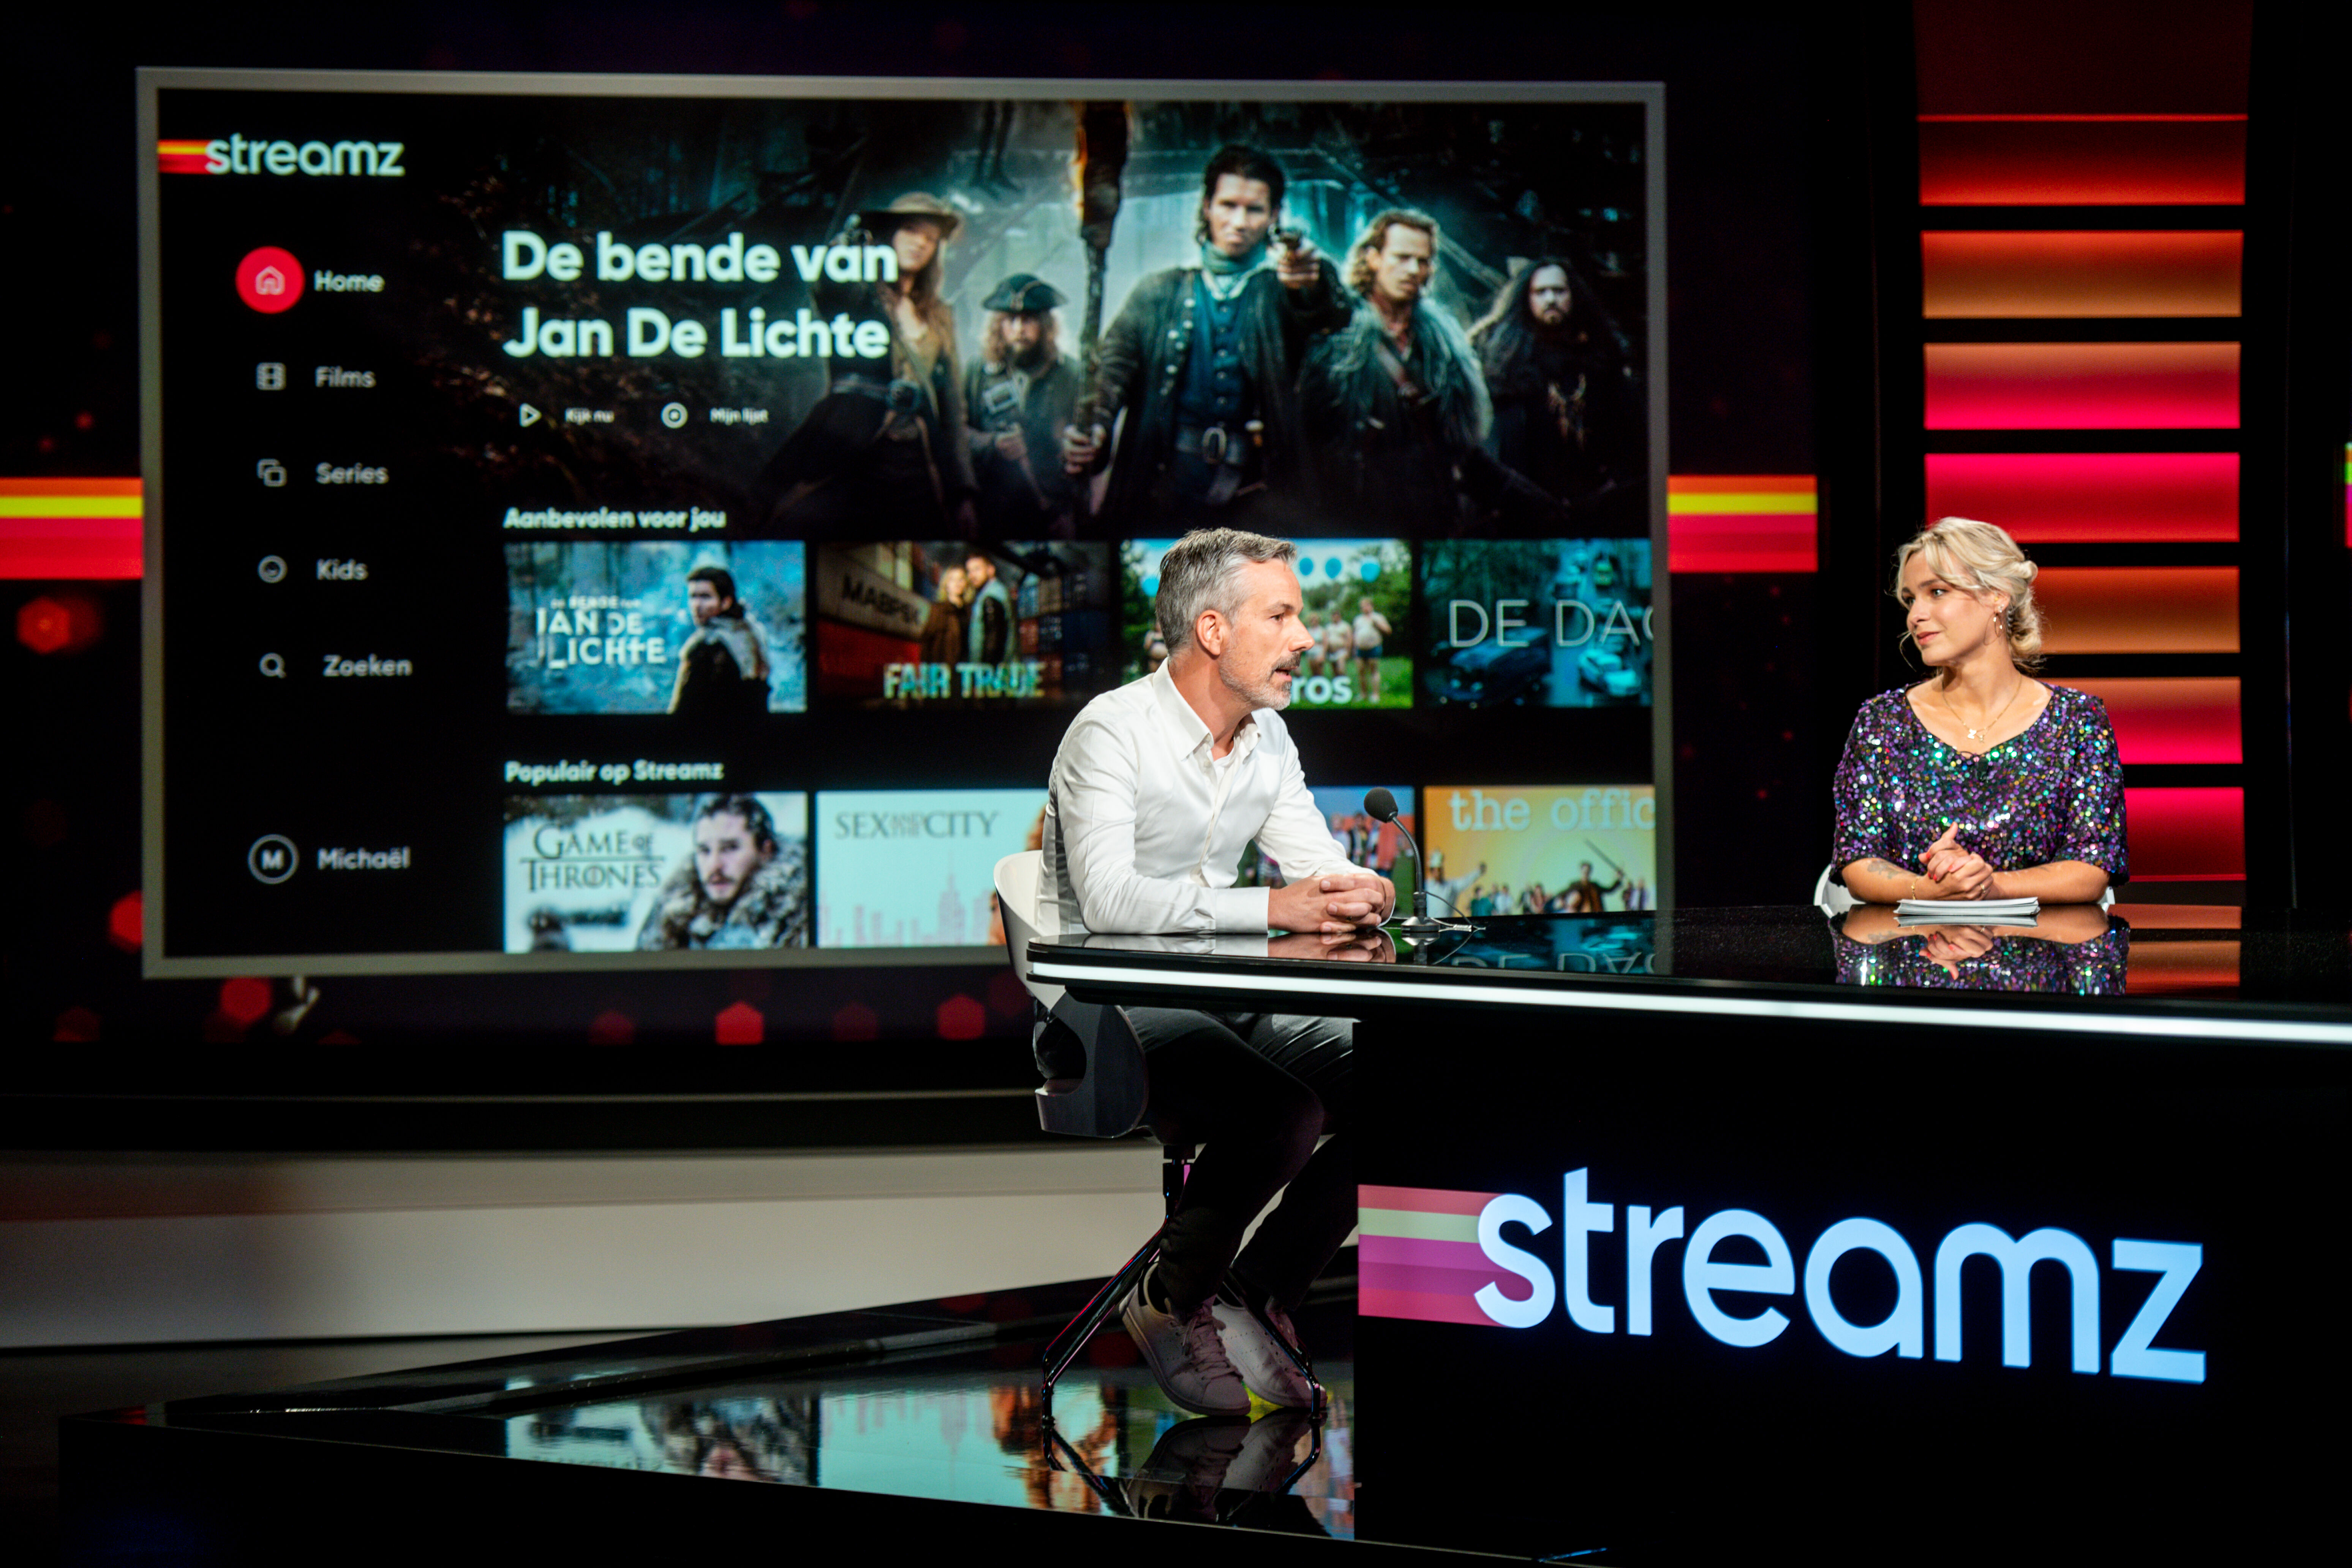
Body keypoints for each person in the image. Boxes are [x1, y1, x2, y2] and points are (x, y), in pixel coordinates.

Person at [1039, 527, 1395, 1416]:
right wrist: (1277, 907)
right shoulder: (1110, 731)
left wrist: (1360, 888)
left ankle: (1254, 1290)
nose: (1304, 637)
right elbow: (1111, 900)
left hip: (1222, 998)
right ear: (1212, 630)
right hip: (1103, 1009)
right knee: (1282, 1110)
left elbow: (1315, 867)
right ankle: (1170, 1295)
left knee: (1399, 1086)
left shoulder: (1268, 739)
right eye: (1281, 616)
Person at [1833, 518, 2125, 905]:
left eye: (1937, 592)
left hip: (2042, 942)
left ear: (1997, 595)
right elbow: (1858, 861)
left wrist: (1989, 885)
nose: (1915, 616)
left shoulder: (2077, 721)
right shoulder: (1882, 722)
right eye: (1910, 599)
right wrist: (1928, 890)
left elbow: (2091, 868)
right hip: (1912, 942)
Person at [1062, 145, 1351, 530]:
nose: (1239, 222)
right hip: (1163, 492)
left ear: (1274, 216)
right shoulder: (1158, 292)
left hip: (1258, 496)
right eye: (1228, 205)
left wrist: (1313, 283)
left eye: (1254, 210)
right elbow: (1112, 371)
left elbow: (1331, 318)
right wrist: (1095, 426)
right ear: (1207, 207)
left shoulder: (1283, 293)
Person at [1300, 210, 1556, 534]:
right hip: (1357, 516)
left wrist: (1543, 508)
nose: (1413, 270)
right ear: (1374, 258)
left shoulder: (1442, 348)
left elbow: (1461, 453)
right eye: (1402, 258)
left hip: (1430, 514)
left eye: (1422, 261)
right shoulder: (1336, 338)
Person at [760, 193, 978, 537]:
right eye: (911, 230)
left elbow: (952, 409)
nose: (921, 243)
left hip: (917, 460)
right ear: (890, 234)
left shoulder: (940, 315)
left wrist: (963, 493)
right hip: (851, 444)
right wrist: (845, 248)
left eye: (931, 237)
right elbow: (828, 286)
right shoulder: (859, 295)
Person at [1468, 256, 1641, 524]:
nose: (1551, 299)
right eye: (1541, 292)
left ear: (1573, 296)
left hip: (1592, 502)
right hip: (1523, 505)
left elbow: (1629, 436)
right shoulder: (1502, 361)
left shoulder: (1603, 358)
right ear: (1527, 299)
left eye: (1559, 291)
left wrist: (1611, 489)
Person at [965, 273, 1083, 535]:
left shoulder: (1071, 374)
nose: (1019, 329)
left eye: (1028, 319)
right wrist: (992, 443)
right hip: (990, 510)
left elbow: (1087, 447)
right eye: (1010, 320)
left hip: (1053, 511)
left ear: (1045, 325)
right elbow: (955, 434)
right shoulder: (977, 372)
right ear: (998, 325)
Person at [637, 794, 809, 949]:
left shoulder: (800, 914)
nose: (715, 865)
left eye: (730, 848)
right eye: (705, 851)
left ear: (766, 851)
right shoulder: (673, 914)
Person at [669, 565, 771, 716]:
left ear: (726, 602)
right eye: (693, 597)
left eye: (706, 597)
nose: (697, 605)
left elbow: (683, 709)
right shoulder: (751, 633)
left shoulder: (707, 647)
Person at [963, 552, 1014, 667]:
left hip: (989, 672)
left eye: (977, 569)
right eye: (969, 571)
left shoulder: (992, 597)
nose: (972, 575)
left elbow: (994, 642)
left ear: (991, 570)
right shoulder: (993, 593)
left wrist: (986, 672)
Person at [917, 563, 970, 669]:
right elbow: (928, 642)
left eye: (961, 579)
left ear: (966, 583)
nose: (957, 584)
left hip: (966, 668)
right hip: (944, 669)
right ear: (946, 584)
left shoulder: (970, 611)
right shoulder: (938, 610)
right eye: (953, 580)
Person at [1349, 594, 1391, 704]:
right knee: (1361, 672)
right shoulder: (1358, 619)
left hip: (1374, 648)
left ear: (1371, 606)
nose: (1365, 608)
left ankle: (1375, 695)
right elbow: (1354, 634)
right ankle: (1363, 695)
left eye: (1367, 605)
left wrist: (1377, 624)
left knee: (1374, 671)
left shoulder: (1378, 617)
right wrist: (1353, 648)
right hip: (1360, 649)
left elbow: (1388, 631)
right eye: (1362, 606)